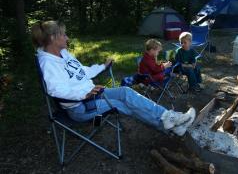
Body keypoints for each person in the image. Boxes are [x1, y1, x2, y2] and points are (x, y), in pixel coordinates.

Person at [31, 20, 195, 136]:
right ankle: (171, 125)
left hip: (92, 95)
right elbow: (55, 90)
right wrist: (84, 95)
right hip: (80, 107)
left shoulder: (64, 54)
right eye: (64, 35)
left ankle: (169, 119)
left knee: (125, 91)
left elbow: (83, 72)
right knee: (122, 104)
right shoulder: (48, 63)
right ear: (52, 38)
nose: (67, 38)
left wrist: (102, 67)